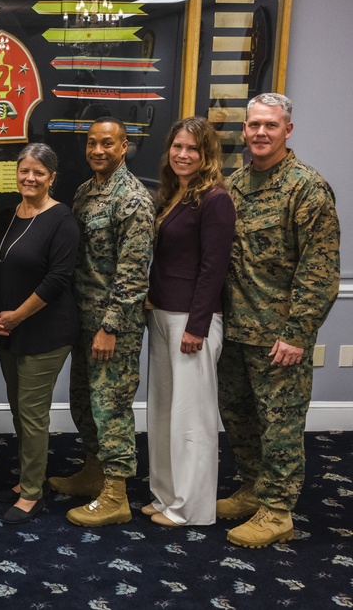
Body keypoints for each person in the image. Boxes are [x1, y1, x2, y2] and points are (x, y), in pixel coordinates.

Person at [217, 93, 340, 548]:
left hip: (279, 335)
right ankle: (252, 487)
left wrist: (298, 334)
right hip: (235, 330)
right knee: (239, 415)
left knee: (280, 423)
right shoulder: (235, 184)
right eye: (253, 125)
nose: (260, 133)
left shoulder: (307, 187)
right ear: (244, 130)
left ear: (288, 130)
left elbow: (319, 269)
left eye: (270, 125)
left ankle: (278, 511)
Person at [49, 116, 154, 527]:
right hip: (83, 320)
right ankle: (93, 471)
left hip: (114, 327)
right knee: (84, 402)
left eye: (107, 143)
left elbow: (132, 274)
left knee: (111, 408)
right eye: (92, 143)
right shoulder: (84, 192)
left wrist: (110, 327)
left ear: (124, 146)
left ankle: (116, 494)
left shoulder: (132, 199)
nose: (97, 150)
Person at [143, 117, 235, 527]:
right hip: (161, 314)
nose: (183, 155)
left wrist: (197, 325)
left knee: (191, 419)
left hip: (191, 321)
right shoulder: (172, 194)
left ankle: (190, 509)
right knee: (162, 414)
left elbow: (214, 267)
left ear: (208, 155)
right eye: (177, 146)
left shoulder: (215, 199)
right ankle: (165, 495)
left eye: (192, 149)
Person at [0, 144, 79, 524]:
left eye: (39, 172)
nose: (30, 178)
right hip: (8, 328)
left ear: (52, 178)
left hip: (46, 330)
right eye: (24, 170)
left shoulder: (63, 220)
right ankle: (28, 479)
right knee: (18, 410)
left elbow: (58, 280)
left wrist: (16, 316)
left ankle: (33, 494)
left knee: (33, 412)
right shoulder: (7, 215)